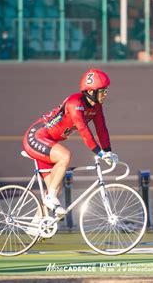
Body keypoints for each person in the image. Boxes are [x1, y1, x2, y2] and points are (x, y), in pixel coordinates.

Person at [22, 69, 118, 216]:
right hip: (37, 137)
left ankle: (36, 226)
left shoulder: (96, 107)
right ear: (91, 92)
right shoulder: (75, 103)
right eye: (103, 91)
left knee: (56, 187)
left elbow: (102, 129)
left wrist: (108, 150)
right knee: (65, 156)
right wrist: (99, 152)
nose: (106, 94)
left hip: (49, 142)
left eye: (106, 90)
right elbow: (84, 131)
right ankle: (49, 198)